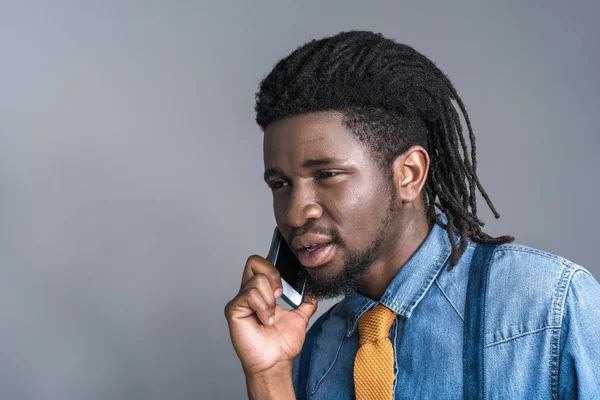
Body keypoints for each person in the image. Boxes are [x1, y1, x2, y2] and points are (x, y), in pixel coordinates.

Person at [224, 31, 600, 399]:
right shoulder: (306, 350)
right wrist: (269, 377)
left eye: (327, 175)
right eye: (280, 184)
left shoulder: (550, 306)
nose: (295, 212)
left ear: (409, 174)